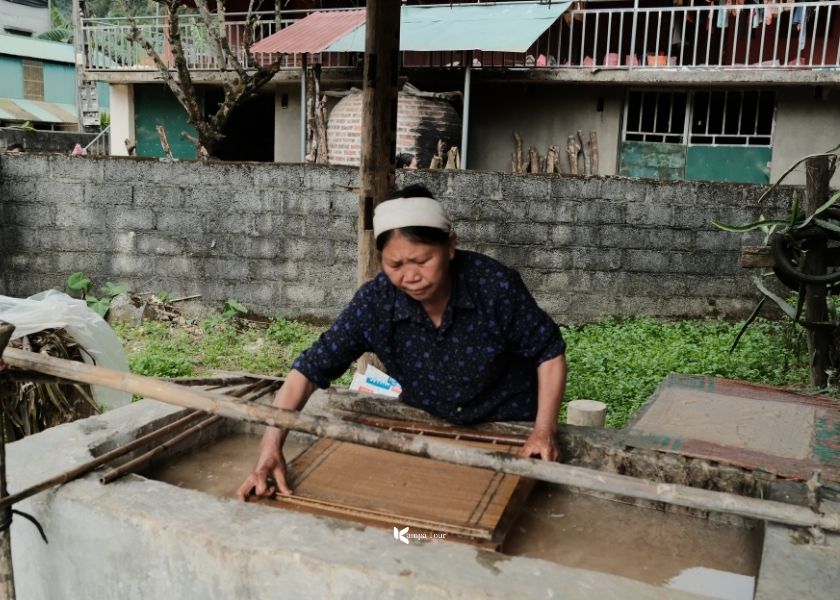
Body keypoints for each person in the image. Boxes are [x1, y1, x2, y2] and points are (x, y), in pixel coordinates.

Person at [236, 184, 567, 501]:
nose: (409, 276)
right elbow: (307, 372)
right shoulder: (375, 303)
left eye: (422, 261)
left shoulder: (494, 287)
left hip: (509, 424)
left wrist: (543, 431)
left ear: (451, 246)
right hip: (429, 424)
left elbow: (548, 354)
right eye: (395, 264)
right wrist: (269, 447)